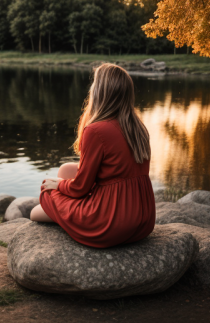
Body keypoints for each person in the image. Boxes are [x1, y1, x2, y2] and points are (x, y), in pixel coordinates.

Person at [30, 63, 155, 248]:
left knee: (42, 201)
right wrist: (65, 182)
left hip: (111, 223)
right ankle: (68, 213)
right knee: (65, 169)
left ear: (99, 92)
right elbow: (115, 170)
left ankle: (70, 219)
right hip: (143, 221)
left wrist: (59, 185)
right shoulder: (137, 127)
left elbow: (80, 188)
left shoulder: (96, 130)